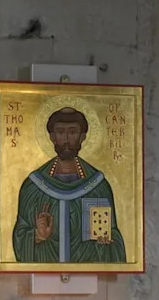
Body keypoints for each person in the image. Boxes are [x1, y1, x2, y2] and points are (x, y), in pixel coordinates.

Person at [12, 107, 126, 263]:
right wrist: (38, 235)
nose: (66, 139)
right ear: (52, 137)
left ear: (82, 137)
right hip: (45, 269)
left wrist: (105, 243)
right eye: (60, 132)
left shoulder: (98, 186)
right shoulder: (33, 187)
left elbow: (114, 238)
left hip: (88, 269)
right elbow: (20, 234)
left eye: (72, 132)